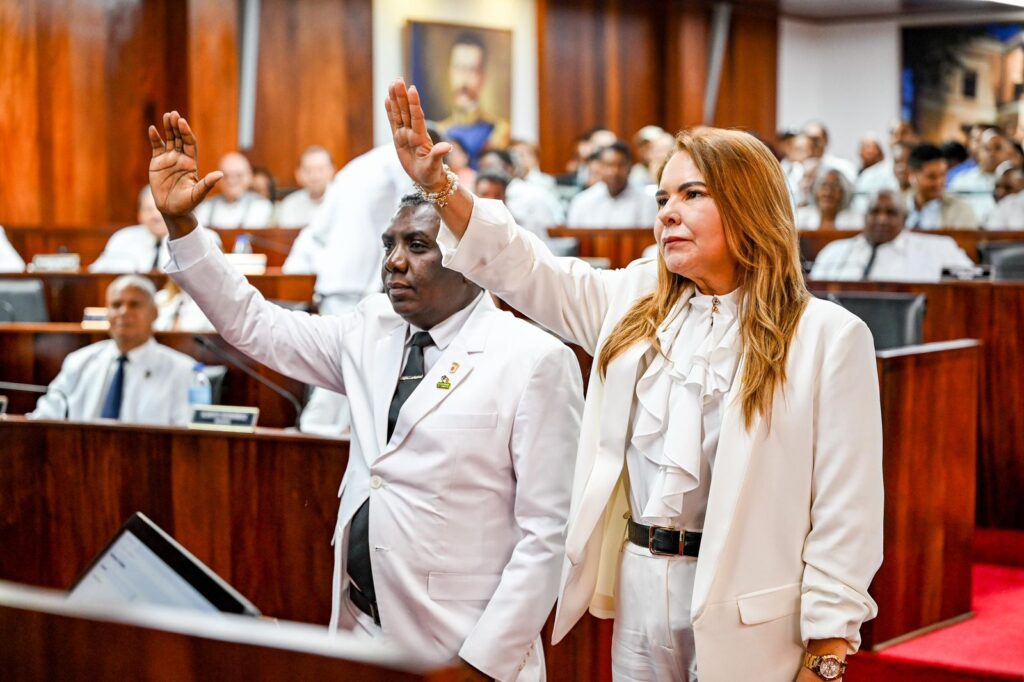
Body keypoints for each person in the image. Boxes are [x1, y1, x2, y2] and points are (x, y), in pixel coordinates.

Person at [386, 79, 882, 682]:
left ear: (751, 205)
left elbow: (846, 511)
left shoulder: (829, 336)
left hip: (754, 616)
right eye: (662, 197)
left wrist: (827, 649)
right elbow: (526, 268)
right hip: (641, 587)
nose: (668, 211)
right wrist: (440, 189)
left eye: (692, 194)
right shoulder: (634, 301)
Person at [148, 110, 584, 681]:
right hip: (363, 630)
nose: (394, 262)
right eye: (390, 244)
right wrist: (184, 229)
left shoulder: (533, 359)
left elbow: (547, 538)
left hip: (464, 648)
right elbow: (256, 326)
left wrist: (478, 665)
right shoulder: (371, 328)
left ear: (473, 262)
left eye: (418, 245)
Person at [29, 275, 196, 424]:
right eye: (116, 305)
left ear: (154, 313)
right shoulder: (79, 362)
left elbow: (186, 435)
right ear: (107, 313)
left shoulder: (183, 371)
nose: (123, 312)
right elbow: (44, 419)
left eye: (134, 304)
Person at [282, 144, 415, 316]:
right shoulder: (397, 162)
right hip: (348, 289)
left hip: (340, 285)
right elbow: (410, 210)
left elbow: (317, 232)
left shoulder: (355, 170)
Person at [810, 189, 973, 282]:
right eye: (875, 212)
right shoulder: (834, 252)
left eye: (891, 213)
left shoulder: (938, 249)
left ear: (905, 219)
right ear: (864, 216)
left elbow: (973, 279)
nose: (882, 219)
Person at [437, 33, 510, 168]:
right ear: (449, 73)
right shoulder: (440, 130)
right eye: (458, 68)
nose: (464, 79)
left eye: (471, 69)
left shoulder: (497, 129)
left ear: (483, 77)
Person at [567, 142, 659, 228]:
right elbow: (572, 239)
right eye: (608, 165)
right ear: (600, 168)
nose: (614, 172)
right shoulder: (582, 201)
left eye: (620, 165)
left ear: (630, 167)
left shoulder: (647, 201)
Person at [90, 187, 171, 272]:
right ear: (139, 214)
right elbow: (95, 273)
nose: (156, 216)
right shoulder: (122, 238)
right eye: (149, 209)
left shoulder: (184, 243)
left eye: (161, 210)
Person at [906, 143, 977, 229]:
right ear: (912, 176)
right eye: (932, 177)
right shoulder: (899, 207)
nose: (939, 182)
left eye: (943, 175)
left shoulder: (961, 210)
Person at [949, 128, 1013, 223]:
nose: (992, 153)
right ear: (978, 151)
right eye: (987, 149)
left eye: (998, 148)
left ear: (1008, 152)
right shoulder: (962, 181)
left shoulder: (1016, 183)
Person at [195, 152, 274, 228]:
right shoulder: (205, 207)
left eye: (238, 175)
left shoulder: (261, 205)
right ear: (217, 180)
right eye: (226, 176)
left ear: (249, 176)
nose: (231, 181)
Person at [278, 146, 337, 228]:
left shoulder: (345, 201)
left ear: (332, 170)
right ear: (298, 174)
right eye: (308, 170)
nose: (315, 176)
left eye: (321, 169)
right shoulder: (290, 204)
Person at [796, 167, 863, 230]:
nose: (828, 193)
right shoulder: (800, 218)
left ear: (844, 193)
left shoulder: (857, 222)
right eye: (823, 186)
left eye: (835, 186)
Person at [984, 163, 1024, 230]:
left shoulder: (1015, 200)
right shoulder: (997, 207)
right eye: (997, 186)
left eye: (1008, 187)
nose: (1000, 192)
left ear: (1022, 183)